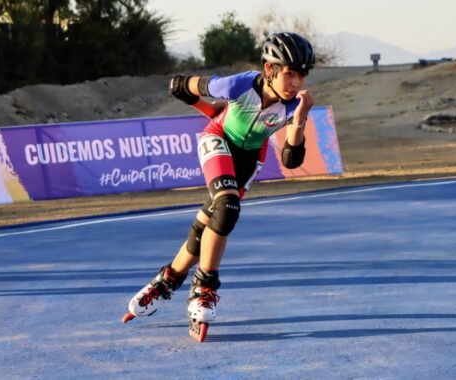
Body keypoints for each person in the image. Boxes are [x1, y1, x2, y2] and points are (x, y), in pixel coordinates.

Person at [122, 32, 316, 341]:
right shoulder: (241, 84)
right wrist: (184, 89)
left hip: (250, 159)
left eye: (302, 74)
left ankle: (165, 281)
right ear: (269, 70)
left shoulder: (296, 104)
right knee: (227, 208)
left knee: (211, 223)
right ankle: (204, 288)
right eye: (290, 73)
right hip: (217, 139)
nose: (295, 82)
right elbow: (200, 89)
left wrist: (302, 116)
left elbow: (292, 159)